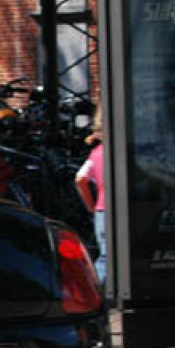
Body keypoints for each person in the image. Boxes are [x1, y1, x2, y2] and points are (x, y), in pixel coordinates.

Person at [75, 108, 107, 284]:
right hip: (124, 209)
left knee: (105, 256)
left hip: (102, 210)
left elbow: (80, 179)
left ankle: (94, 290)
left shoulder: (96, 154)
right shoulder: (125, 151)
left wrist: (90, 206)